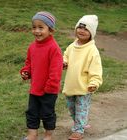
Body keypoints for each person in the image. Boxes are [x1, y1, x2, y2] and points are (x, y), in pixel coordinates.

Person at [20, 11, 63, 140]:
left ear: (50, 30)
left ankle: (48, 136)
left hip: (49, 90)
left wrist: (50, 86)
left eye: (41, 27)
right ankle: (32, 135)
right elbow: (29, 63)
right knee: (32, 112)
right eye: (34, 27)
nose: (37, 31)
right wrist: (26, 71)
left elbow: (56, 70)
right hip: (35, 88)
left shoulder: (54, 48)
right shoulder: (32, 47)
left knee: (47, 113)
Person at [62, 15, 103, 140]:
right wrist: (64, 62)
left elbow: (96, 69)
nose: (81, 31)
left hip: (85, 86)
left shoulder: (92, 50)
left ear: (92, 33)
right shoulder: (71, 46)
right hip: (71, 85)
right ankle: (81, 123)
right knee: (71, 108)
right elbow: (66, 56)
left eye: (86, 29)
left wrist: (94, 82)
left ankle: (78, 130)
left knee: (81, 108)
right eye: (79, 27)